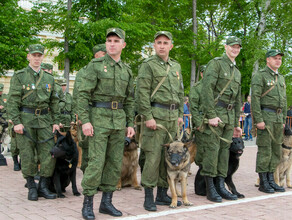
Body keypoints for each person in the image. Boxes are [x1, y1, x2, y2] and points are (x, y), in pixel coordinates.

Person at [77, 28, 135, 219]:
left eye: (116, 41)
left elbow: (129, 100)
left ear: (123, 45)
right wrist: (85, 120)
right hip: (98, 120)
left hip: (118, 121)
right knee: (96, 162)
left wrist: (130, 123)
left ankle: (107, 203)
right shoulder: (95, 65)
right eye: (109, 40)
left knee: (114, 162)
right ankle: (88, 204)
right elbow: (83, 94)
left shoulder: (126, 70)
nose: (112, 43)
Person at [136, 31, 184, 211]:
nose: (162, 46)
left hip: (172, 119)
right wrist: (148, 116)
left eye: (165, 42)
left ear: (171, 46)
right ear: (154, 46)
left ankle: (162, 194)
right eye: (159, 43)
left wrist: (179, 113)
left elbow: (180, 92)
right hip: (155, 117)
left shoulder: (176, 66)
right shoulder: (148, 65)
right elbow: (142, 93)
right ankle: (149, 195)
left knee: (169, 157)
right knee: (153, 157)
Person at [7, 44, 60, 201]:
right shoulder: (19, 76)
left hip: (44, 120)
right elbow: (13, 101)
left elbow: (54, 102)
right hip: (26, 119)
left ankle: (43, 186)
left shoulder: (49, 78)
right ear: (28, 56)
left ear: (43, 57)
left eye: (39, 55)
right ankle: (31, 186)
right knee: (27, 154)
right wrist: (16, 122)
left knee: (48, 154)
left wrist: (56, 121)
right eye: (34, 55)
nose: (37, 58)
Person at [200, 36, 242, 202]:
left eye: (238, 47)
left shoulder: (236, 72)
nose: (235, 49)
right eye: (232, 46)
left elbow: (237, 99)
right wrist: (211, 115)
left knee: (224, 153)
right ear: (225, 47)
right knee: (212, 151)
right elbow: (207, 90)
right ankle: (210, 188)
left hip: (229, 116)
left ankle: (220, 185)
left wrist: (236, 122)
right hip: (216, 113)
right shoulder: (216, 64)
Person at [251, 49, 286, 194]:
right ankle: (263, 181)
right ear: (268, 60)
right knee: (265, 150)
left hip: (277, 118)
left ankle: (271, 179)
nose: (278, 60)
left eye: (279, 58)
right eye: (275, 58)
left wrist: (283, 119)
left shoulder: (281, 78)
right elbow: (255, 98)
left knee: (276, 151)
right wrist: (258, 120)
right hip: (266, 116)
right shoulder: (260, 76)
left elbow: (283, 100)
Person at [72, 44, 106, 173]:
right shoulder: (85, 71)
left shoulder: (109, 69)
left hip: (103, 114)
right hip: (89, 112)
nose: (105, 56)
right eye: (103, 53)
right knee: (86, 145)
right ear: (96, 55)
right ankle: (87, 173)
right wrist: (80, 116)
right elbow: (78, 95)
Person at [189, 64, 206, 167]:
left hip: (213, 121)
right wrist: (198, 123)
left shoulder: (216, 87)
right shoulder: (197, 88)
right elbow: (193, 107)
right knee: (200, 148)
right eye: (205, 73)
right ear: (201, 74)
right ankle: (202, 169)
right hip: (201, 120)